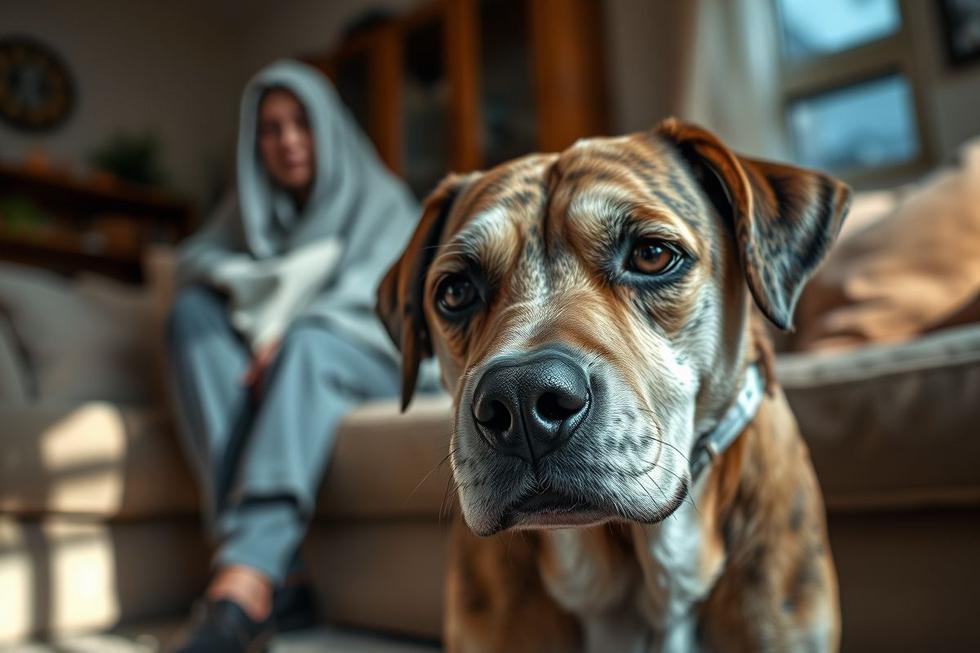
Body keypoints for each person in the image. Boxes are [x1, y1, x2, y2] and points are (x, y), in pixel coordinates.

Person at [164, 59, 421, 653]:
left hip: (369, 360)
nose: (288, 141)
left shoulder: (380, 199)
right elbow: (191, 262)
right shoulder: (247, 214)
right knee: (192, 317)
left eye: (301, 124)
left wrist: (291, 327)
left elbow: (395, 307)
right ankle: (287, 576)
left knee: (307, 343)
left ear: (327, 128)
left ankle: (245, 580)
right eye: (271, 128)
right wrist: (260, 328)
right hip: (290, 363)